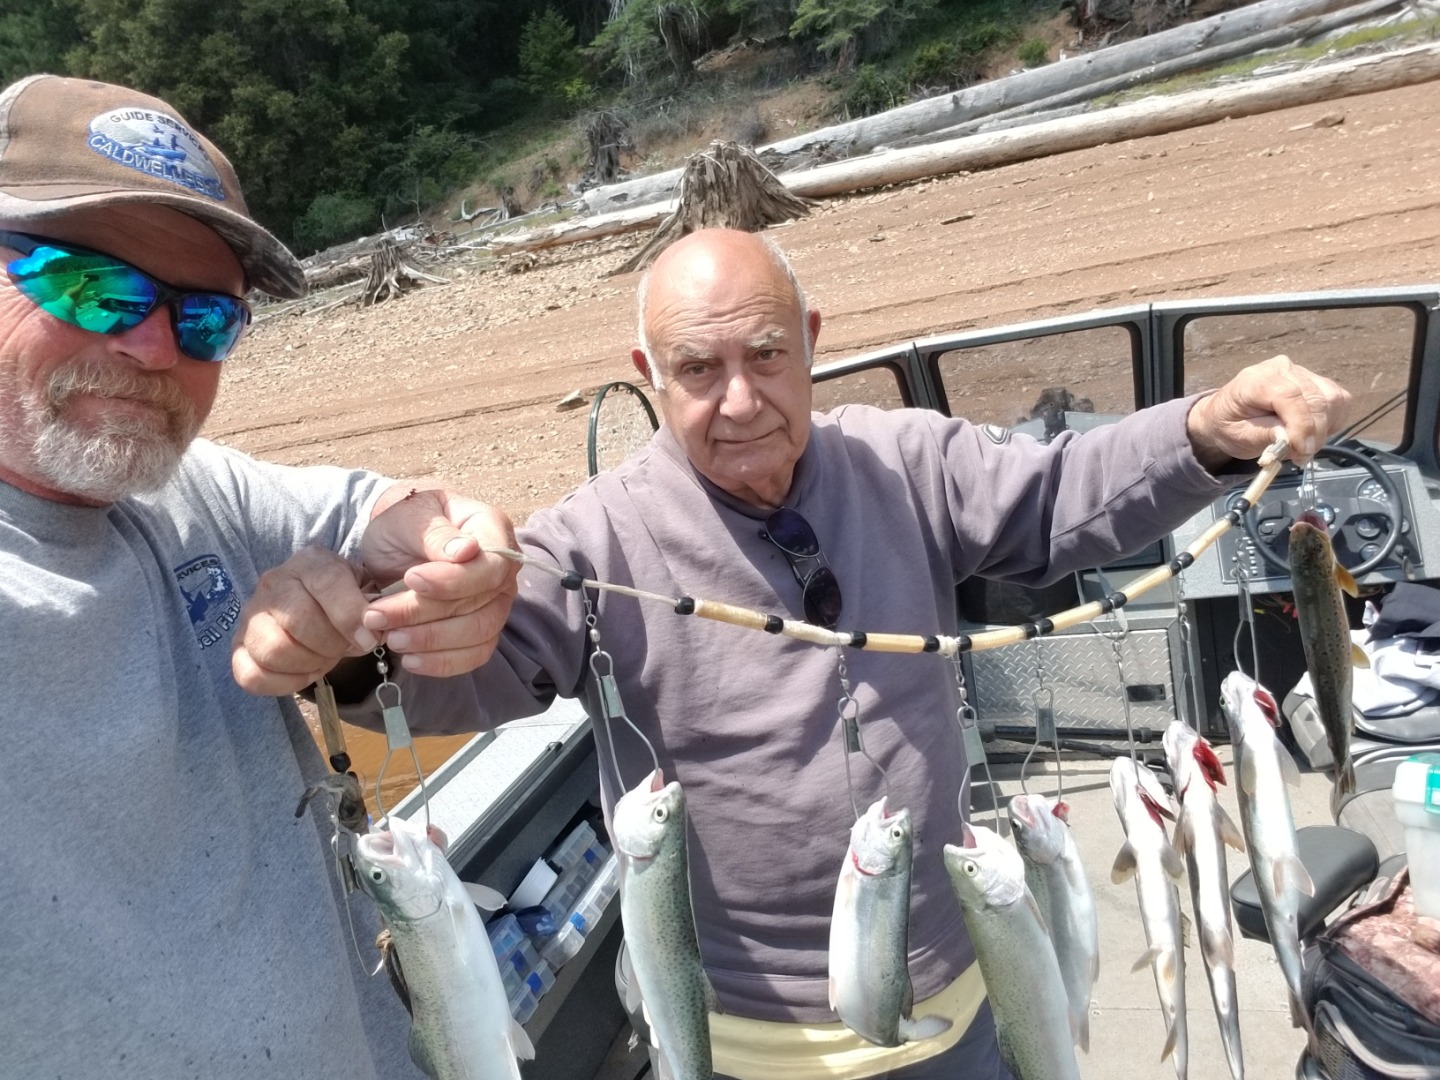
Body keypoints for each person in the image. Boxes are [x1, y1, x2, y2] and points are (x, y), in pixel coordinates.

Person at [241, 227, 1349, 1079]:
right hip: (743, 1033)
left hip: (960, 981)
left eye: (768, 354)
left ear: (813, 339)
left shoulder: (903, 459)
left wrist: (1206, 426)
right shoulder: (592, 540)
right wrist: (357, 650)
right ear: (649, 371)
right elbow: (469, 671)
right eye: (697, 368)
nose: (739, 401)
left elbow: (1061, 497)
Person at [0, 74, 518, 1078]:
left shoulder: (197, 492)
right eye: (87, 284)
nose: (150, 346)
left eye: (203, 320)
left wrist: (461, 545)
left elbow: (389, 511)